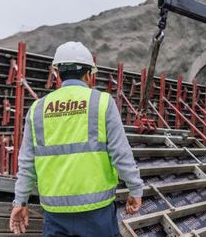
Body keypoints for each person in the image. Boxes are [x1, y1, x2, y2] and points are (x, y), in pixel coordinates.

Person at [9, 41, 144, 236]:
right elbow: (120, 153)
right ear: (89, 74)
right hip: (97, 212)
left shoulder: (37, 109)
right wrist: (135, 189)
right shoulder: (102, 102)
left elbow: (27, 163)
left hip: (55, 215)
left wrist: (20, 201)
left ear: (57, 74)